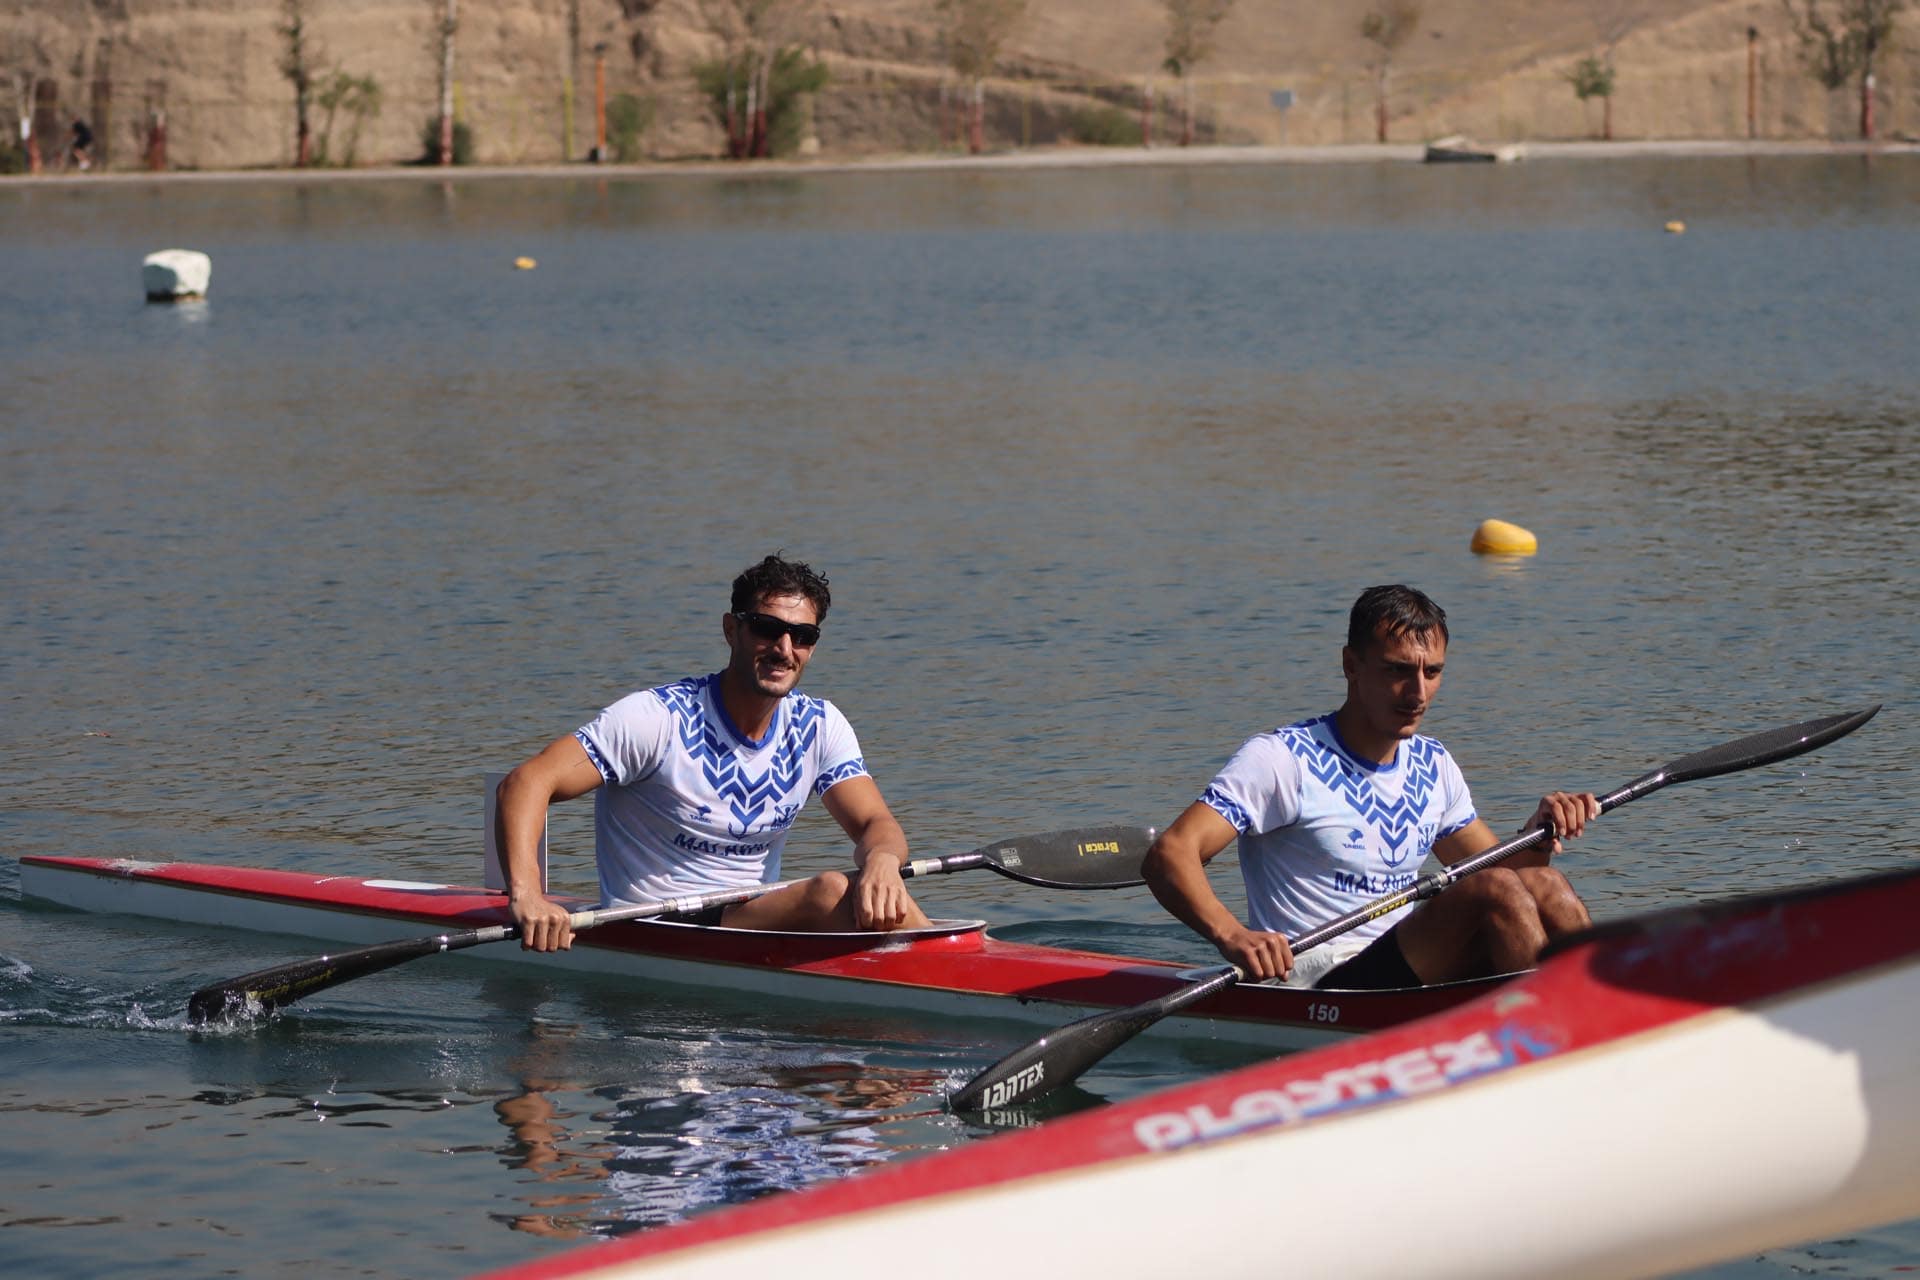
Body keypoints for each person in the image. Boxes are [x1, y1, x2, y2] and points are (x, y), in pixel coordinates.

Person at [1143, 584, 1597, 990]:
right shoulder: (1283, 759)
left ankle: (1600, 1013)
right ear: (1351, 665)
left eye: (1432, 673)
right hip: (1314, 975)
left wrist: (1539, 833)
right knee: (1492, 890)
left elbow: (1510, 871)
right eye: (1398, 671)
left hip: (1404, 963)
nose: (1418, 694)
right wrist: (1233, 935)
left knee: (1547, 884)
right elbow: (1170, 854)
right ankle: (1552, 1030)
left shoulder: (1433, 764)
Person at [498, 554, 929, 952]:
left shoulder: (819, 725)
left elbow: (876, 823)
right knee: (832, 891)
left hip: (752, 915)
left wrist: (882, 860)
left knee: (877, 892)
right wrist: (528, 895)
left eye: (802, 636)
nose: (784, 649)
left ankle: (941, 962)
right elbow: (526, 782)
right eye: (766, 628)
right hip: (654, 923)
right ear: (731, 630)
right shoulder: (658, 719)